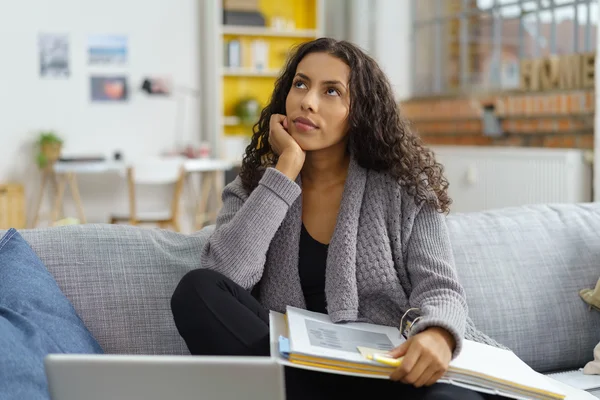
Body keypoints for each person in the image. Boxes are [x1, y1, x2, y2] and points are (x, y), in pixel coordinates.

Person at [171, 37, 508, 400]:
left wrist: (438, 335)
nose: (308, 101)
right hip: (295, 365)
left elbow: (440, 287)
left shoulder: (403, 187)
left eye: (331, 91)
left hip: (385, 368)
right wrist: (284, 172)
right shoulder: (255, 186)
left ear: (359, 112)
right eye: (300, 84)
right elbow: (224, 276)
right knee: (196, 290)